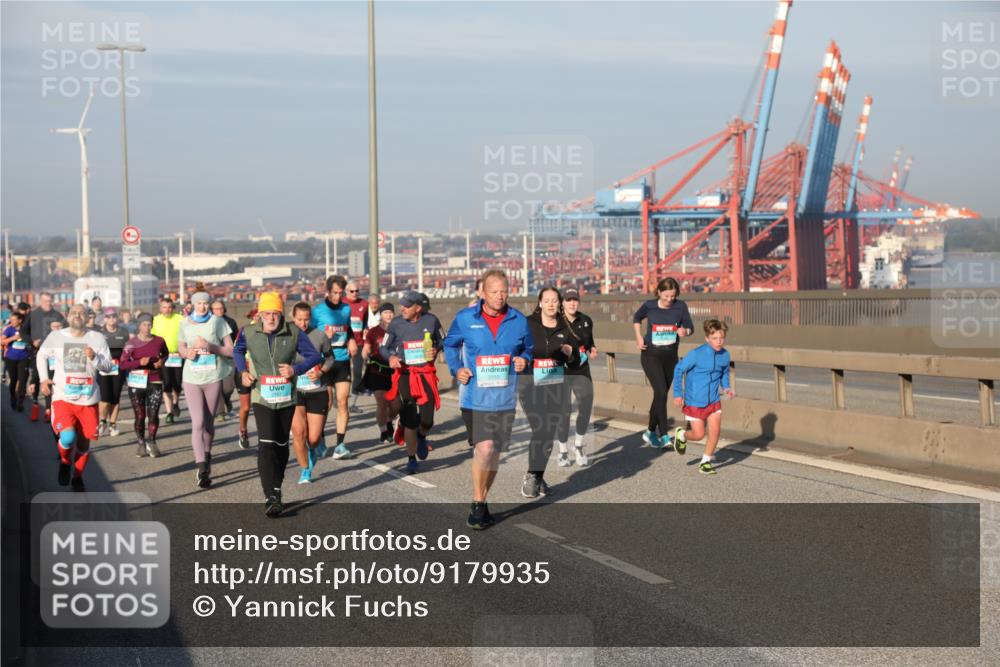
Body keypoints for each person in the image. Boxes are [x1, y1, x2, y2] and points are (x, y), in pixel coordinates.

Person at [444, 270, 532, 530]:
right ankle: (477, 501)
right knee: (484, 448)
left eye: (504, 291)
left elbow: (528, 348)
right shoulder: (465, 319)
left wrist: (523, 359)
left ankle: (483, 500)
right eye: (494, 291)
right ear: (482, 293)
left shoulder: (518, 320)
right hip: (475, 397)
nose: (499, 296)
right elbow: (449, 345)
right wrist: (456, 368)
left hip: (504, 397)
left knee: (493, 452)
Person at [234, 292, 321, 517]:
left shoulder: (293, 332)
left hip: (286, 397)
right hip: (261, 396)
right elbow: (237, 351)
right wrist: (243, 372)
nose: (271, 318)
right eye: (267, 314)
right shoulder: (248, 332)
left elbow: (313, 356)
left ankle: (277, 487)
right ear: (259, 314)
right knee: (267, 442)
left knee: (282, 445)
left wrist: (295, 370)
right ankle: (270, 496)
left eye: (275, 314)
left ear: (281, 314)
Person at [36, 304, 114, 491]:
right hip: (63, 397)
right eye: (73, 313)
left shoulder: (97, 338)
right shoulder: (56, 336)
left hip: (88, 400)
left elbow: (108, 367)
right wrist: (44, 379)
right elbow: (41, 355)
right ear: (67, 316)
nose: (77, 315)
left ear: (88, 317)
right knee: (68, 436)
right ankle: (64, 462)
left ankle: (77, 477)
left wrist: (94, 357)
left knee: (83, 443)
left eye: (81, 313)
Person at [519, 287, 578, 499]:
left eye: (555, 300)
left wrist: (571, 354)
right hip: (530, 385)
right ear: (540, 303)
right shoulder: (527, 324)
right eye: (548, 300)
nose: (552, 304)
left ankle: (537, 473)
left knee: (547, 433)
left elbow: (576, 359)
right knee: (541, 429)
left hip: (556, 387)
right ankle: (533, 475)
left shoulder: (565, 327)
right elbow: (515, 348)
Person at [380, 291, 443, 474]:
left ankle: (422, 436)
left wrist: (435, 350)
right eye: (401, 305)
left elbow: (443, 340)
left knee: (427, 419)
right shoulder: (396, 323)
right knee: (410, 418)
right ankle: (411, 458)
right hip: (405, 374)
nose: (402, 309)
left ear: (418, 307)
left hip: (425, 373)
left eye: (407, 306)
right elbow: (384, 347)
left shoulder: (431, 320)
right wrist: (391, 357)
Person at [177, 292, 234, 488]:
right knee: (198, 422)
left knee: (209, 423)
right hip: (191, 378)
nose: (202, 306)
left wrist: (209, 346)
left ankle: (207, 456)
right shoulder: (184, 323)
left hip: (212, 377)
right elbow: (181, 348)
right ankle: (201, 468)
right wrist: (188, 353)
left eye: (205, 303)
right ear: (192, 305)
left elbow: (230, 350)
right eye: (198, 303)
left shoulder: (218, 322)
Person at [633, 277, 694, 449]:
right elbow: (637, 318)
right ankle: (664, 435)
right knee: (661, 392)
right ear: (659, 292)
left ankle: (650, 432)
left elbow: (690, 326)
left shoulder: (680, 306)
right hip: (651, 354)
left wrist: (685, 331)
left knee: (659, 395)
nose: (669, 300)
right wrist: (638, 337)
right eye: (666, 296)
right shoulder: (649, 305)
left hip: (671, 357)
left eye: (672, 296)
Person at [672, 319, 734, 474]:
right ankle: (682, 434)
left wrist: (726, 387)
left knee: (715, 430)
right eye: (714, 338)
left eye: (722, 338)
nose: (719, 341)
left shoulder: (725, 355)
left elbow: (724, 373)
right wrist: (678, 394)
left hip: (713, 400)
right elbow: (679, 370)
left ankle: (705, 461)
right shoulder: (696, 354)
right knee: (698, 435)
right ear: (707, 338)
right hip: (695, 401)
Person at [309, 275, 358, 459]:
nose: (338, 296)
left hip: (343, 359)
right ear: (327, 292)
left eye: (340, 293)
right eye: (335, 293)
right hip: (324, 361)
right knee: (327, 403)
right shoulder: (318, 311)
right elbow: (309, 334)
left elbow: (348, 328)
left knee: (343, 400)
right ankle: (319, 438)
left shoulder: (346, 309)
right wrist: (323, 337)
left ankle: (340, 445)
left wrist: (352, 340)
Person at [290, 301, 334, 484]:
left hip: (317, 390)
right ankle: (304, 470)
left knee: (314, 438)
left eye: (306, 319)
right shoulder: (286, 337)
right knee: (299, 432)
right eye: (299, 319)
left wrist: (321, 372)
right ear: (293, 318)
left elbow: (330, 358)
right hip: (295, 391)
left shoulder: (320, 336)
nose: (303, 323)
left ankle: (313, 450)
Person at [119, 313, 169, 457]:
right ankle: (141, 443)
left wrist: (161, 361)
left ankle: (152, 442)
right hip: (137, 381)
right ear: (138, 326)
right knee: (140, 416)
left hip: (155, 380)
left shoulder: (159, 340)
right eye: (144, 324)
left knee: (153, 415)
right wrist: (139, 363)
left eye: (149, 324)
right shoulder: (131, 344)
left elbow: (165, 353)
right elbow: (122, 364)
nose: (147, 327)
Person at [558, 288, 597, 467]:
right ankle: (563, 451)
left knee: (586, 406)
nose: (572, 303)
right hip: (563, 370)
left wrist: (592, 348)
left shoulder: (586, 320)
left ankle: (579, 446)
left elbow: (588, 341)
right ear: (563, 303)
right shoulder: (556, 322)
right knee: (564, 411)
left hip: (581, 368)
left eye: (575, 300)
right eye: (568, 300)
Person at [22, 292, 66, 420]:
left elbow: (67, 331)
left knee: (50, 380)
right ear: (40, 301)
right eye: (46, 301)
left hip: (54, 354)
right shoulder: (33, 314)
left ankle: (48, 409)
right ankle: (35, 403)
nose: (49, 303)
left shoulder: (57, 315)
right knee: (35, 379)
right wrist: (31, 341)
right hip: (37, 352)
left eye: (50, 301)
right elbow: (23, 332)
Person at [362, 302, 396, 442]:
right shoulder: (374, 331)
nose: (388, 315)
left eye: (390, 312)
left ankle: (389, 420)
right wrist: (365, 357)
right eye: (385, 312)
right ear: (380, 315)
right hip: (377, 369)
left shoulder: (399, 329)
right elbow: (366, 350)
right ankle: (383, 430)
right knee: (382, 402)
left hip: (394, 369)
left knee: (395, 405)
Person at [96, 308, 130, 437]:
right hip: (104, 368)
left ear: (117, 318)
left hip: (118, 368)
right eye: (108, 317)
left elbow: (128, 351)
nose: (111, 319)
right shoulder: (99, 333)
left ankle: (113, 424)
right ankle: (102, 421)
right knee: (105, 399)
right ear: (105, 318)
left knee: (115, 398)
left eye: (113, 316)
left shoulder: (124, 332)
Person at [152, 298, 184, 424]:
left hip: (177, 355)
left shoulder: (180, 319)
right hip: (163, 357)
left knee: (177, 383)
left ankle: (176, 402)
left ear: (173, 308)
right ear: (160, 308)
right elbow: (152, 338)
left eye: (169, 307)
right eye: (164, 307)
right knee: (166, 384)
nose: (167, 310)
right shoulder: (156, 320)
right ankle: (169, 412)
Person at [211, 299, 240, 421]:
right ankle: (220, 412)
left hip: (229, 357)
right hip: (214, 358)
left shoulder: (231, 322)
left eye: (221, 308)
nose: (219, 311)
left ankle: (227, 400)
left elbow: (237, 339)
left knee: (228, 388)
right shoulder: (208, 323)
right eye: (216, 309)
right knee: (217, 386)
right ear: (212, 311)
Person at [235, 309, 258, 448]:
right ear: (251, 317)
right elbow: (237, 350)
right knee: (246, 407)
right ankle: (243, 431)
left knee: (262, 405)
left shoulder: (271, 329)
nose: (259, 317)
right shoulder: (245, 330)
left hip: (261, 372)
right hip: (246, 371)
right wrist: (244, 367)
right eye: (256, 315)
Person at [345, 280, 368, 412]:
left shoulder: (364, 304)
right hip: (343, 343)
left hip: (359, 343)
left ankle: (352, 403)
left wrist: (365, 329)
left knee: (358, 373)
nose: (354, 293)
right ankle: (340, 398)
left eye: (357, 291)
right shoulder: (341, 304)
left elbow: (365, 322)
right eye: (352, 291)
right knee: (343, 373)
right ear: (347, 291)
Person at [2, 312, 30, 410]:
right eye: (11, 319)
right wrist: (14, 338)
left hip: (24, 358)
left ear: (20, 320)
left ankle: (20, 402)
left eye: (14, 320)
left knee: (22, 380)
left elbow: (32, 339)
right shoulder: (9, 329)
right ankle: (13, 397)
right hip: (11, 358)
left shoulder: (25, 329)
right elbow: (2, 341)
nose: (12, 321)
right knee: (13, 380)